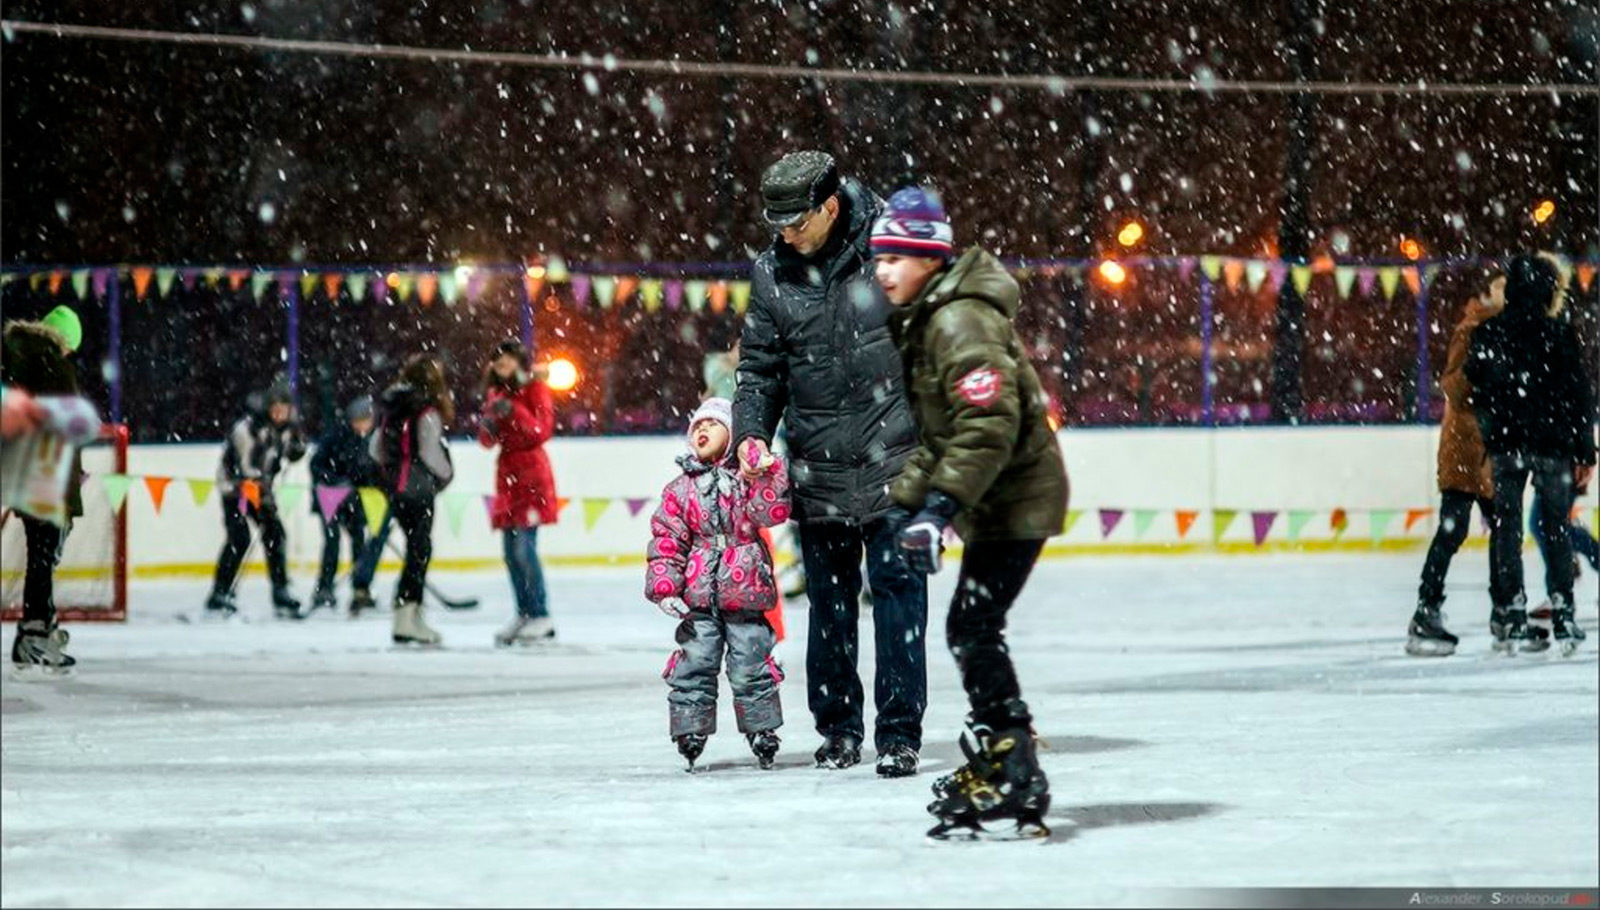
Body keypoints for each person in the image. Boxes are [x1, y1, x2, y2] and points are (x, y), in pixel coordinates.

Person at [870, 187, 1068, 838]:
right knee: (972, 627)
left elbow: (986, 425)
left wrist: (942, 509)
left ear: (929, 258)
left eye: (895, 256)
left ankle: (1014, 758)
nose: (882, 271)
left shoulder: (957, 321)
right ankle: (1007, 747)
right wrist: (905, 505)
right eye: (878, 258)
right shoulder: (930, 316)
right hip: (1001, 495)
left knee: (972, 626)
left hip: (1016, 496)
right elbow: (943, 438)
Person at [733, 149, 928, 776]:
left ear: (831, 207)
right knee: (831, 607)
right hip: (818, 468)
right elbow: (760, 370)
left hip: (896, 460)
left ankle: (899, 733)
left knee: (899, 600)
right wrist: (750, 434)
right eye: (777, 223)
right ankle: (839, 730)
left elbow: (932, 339)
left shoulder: (889, 251)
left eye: (796, 222)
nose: (786, 234)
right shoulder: (772, 274)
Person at [646, 397, 789, 771]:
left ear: (733, 433)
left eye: (712, 424)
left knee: (751, 663)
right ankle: (690, 729)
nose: (702, 430)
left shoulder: (747, 480)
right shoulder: (680, 490)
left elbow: (771, 511)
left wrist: (767, 473)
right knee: (695, 661)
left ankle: (761, 729)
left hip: (746, 593)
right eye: (697, 426)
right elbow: (667, 540)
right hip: (699, 596)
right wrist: (665, 588)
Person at [1465, 253, 1597, 656]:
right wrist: (1584, 451)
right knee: (1555, 527)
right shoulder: (1558, 334)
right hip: (1552, 447)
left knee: (1507, 529)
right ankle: (1563, 611)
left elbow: (1475, 387)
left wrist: (1495, 426)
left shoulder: (1489, 334)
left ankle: (1511, 611)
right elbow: (1578, 396)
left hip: (1507, 447)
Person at [1406, 275, 1506, 656]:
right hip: (1464, 449)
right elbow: (1453, 385)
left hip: (1488, 449)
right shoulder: (1472, 330)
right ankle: (1426, 609)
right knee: (1454, 529)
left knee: (1503, 526)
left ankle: (1504, 607)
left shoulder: (1501, 332)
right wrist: (1484, 379)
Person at [3, 306, 88, 674]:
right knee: (44, 555)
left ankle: (39, 628)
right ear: (64, 341)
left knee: (41, 553)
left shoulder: (20, 360)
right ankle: (36, 632)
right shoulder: (53, 366)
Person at [478, 340, 560, 646]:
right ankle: (524, 613)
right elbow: (487, 442)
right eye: (498, 363)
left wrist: (514, 411)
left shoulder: (534, 389)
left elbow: (541, 431)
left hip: (531, 476)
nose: (503, 367)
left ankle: (540, 613)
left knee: (525, 549)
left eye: (507, 361)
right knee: (511, 554)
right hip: (508, 478)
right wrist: (489, 421)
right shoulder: (495, 393)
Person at [371, 354, 455, 646]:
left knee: (416, 549)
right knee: (420, 550)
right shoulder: (426, 411)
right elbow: (432, 454)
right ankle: (408, 616)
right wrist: (446, 474)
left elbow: (374, 448)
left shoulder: (391, 408)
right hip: (419, 491)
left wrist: (392, 475)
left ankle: (409, 615)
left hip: (397, 489)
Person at [205, 382, 307, 619]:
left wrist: (296, 448)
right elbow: (247, 466)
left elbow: (289, 454)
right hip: (235, 488)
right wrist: (261, 490)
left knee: (275, 534)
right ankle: (220, 592)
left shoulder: (287, 429)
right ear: (268, 409)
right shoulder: (247, 429)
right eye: (276, 410)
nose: (281, 415)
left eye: (285, 410)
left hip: (260, 488)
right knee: (239, 537)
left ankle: (280, 591)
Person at [309, 395, 380, 615]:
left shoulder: (370, 439)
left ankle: (360, 588)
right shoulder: (335, 435)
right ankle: (324, 588)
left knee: (359, 539)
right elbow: (316, 466)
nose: (363, 426)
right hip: (329, 498)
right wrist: (336, 482)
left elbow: (369, 470)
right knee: (332, 541)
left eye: (367, 421)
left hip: (354, 499)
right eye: (359, 421)